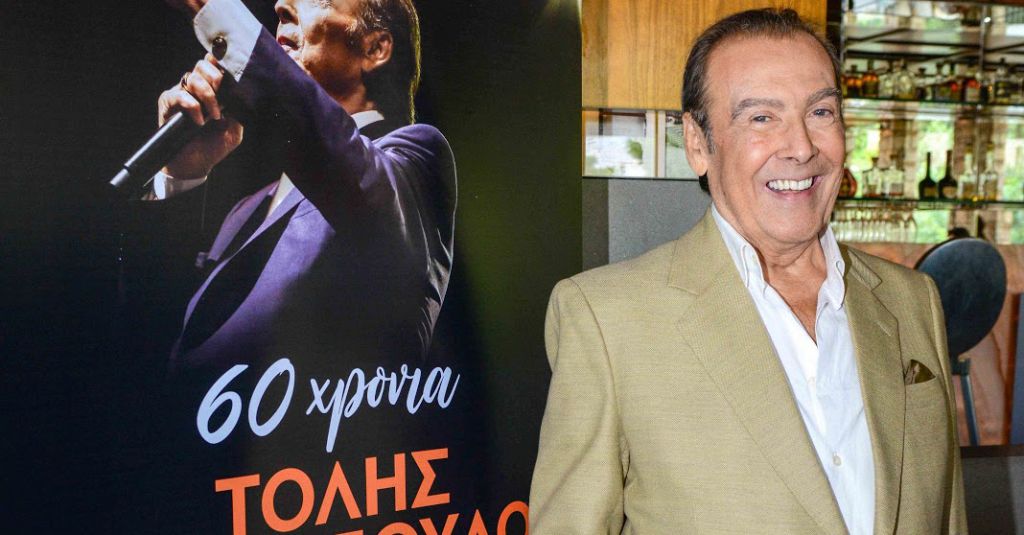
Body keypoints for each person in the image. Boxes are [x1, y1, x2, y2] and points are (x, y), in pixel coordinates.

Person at [530, 9, 965, 534]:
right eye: (761, 118)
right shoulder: (608, 319)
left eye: (821, 112)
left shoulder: (912, 300)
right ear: (698, 143)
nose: (801, 147)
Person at [152, 0, 456, 373]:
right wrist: (179, 171)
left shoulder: (416, 162)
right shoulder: (245, 211)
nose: (280, 5)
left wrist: (215, 10)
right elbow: (157, 335)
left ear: (375, 48)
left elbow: (340, 160)